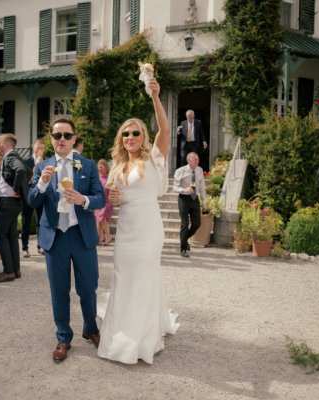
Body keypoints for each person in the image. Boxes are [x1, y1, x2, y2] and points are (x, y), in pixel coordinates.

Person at [98, 77, 179, 364]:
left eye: (135, 133)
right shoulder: (118, 165)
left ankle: (141, 339)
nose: (130, 137)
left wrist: (155, 96)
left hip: (148, 228)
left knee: (143, 277)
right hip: (126, 229)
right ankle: (120, 329)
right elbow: (113, 199)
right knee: (123, 276)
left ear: (143, 136)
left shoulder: (154, 158)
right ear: (121, 139)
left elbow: (166, 129)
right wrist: (114, 200)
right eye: (125, 134)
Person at [28, 118, 105, 363]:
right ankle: (63, 336)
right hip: (55, 236)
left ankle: (90, 328)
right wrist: (42, 183)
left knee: (87, 287)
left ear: (74, 139)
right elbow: (31, 201)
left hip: (81, 236)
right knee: (59, 289)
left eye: (67, 135)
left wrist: (83, 200)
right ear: (51, 138)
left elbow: (100, 199)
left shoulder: (88, 164)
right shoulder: (42, 167)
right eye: (57, 135)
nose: (62, 139)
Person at [0, 133, 31, 283]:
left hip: (7, 202)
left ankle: (8, 271)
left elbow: (21, 170)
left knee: (0, 235)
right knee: (12, 236)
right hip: (13, 203)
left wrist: (15, 187)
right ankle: (16, 270)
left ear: (6, 144)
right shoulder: (15, 155)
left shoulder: (10, 156)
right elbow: (28, 169)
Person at [173, 152, 207, 257]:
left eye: (198, 159)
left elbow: (202, 187)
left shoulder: (199, 170)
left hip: (194, 198)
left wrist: (204, 201)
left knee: (197, 223)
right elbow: (175, 187)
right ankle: (183, 248)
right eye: (195, 159)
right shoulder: (180, 171)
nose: (197, 161)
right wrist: (184, 189)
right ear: (188, 160)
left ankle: (184, 239)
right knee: (185, 223)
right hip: (183, 198)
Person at [21, 139, 46, 257]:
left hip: (42, 195)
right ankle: (25, 248)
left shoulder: (47, 162)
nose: (40, 149)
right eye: (38, 147)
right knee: (26, 221)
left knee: (41, 221)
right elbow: (23, 179)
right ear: (33, 147)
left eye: (42, 147)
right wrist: (35, 170)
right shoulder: (26, 161)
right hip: (29, 195)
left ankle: (40, 246)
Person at [94, 159, 113, 245]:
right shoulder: (97, 177)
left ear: (106, 167)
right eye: (99, 168)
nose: (100, 169)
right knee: (98, 221)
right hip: (99, 202)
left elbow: (113, 189)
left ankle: (108, 237)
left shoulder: (110, 177)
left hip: (107, 202)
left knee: (103, 220)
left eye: (101, 167)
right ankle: (100, 237)